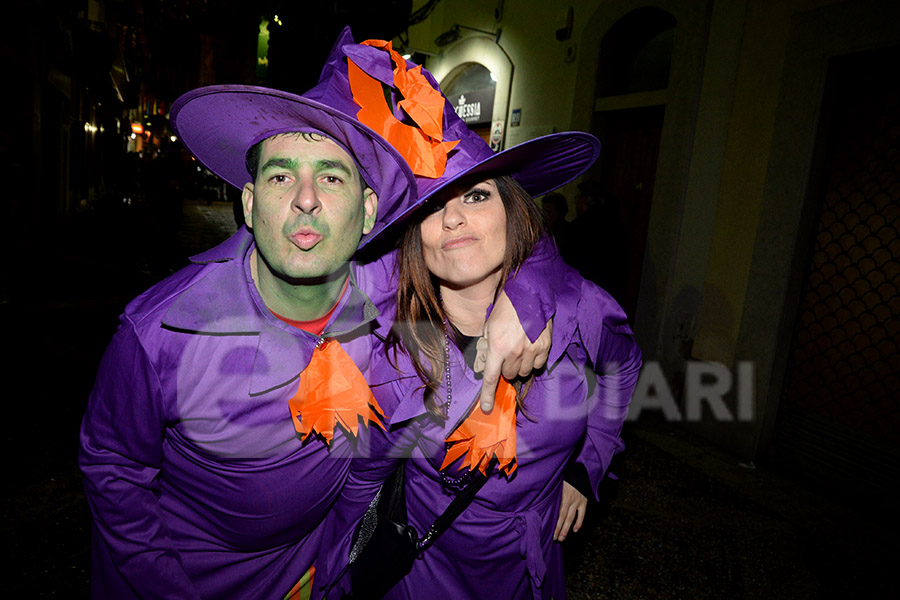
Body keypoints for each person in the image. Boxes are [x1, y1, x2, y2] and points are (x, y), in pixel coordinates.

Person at [78, 27, 560, 600]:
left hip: (314, 574)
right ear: (250, 204)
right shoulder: (160, 332)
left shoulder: (390, 291)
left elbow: (511, 240)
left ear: (367, 212)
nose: (306, 198)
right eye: (282, 176)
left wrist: (526, 296)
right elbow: (114, 470)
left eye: (331, 177)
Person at [319, 40, 642, 600]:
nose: (453, 221)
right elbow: (362, 475)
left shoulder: (578, 307)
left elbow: (624, 365)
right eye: (430, 208)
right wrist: (332, 574)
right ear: (411, 235)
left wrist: (587, 466)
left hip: (526, 566)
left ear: (513, 212)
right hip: (421, 572)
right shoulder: (388, 338)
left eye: (475, 196)